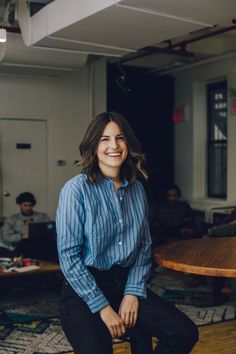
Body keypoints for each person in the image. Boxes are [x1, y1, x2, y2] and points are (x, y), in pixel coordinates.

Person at [56, 111, 198, 354]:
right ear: (93, 146)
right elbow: (69, 259)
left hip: (124, 283)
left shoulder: (137, 190)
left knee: (183, 333)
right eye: (104, 139)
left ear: (128, 144)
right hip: (83, 290)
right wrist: (103, 307)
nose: (114, 145)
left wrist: (132, 293)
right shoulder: (75, 190)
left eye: (119, 138)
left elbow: (143, 248)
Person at [0, 192, 50, 258]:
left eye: (30, 205)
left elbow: (50, 231)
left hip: (39, 245)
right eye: (25, 205)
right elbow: (7, 237)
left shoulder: (42, 217)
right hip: (18, 247)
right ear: (20, 205)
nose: (28, 208)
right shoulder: (12, 219)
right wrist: (22, 236)